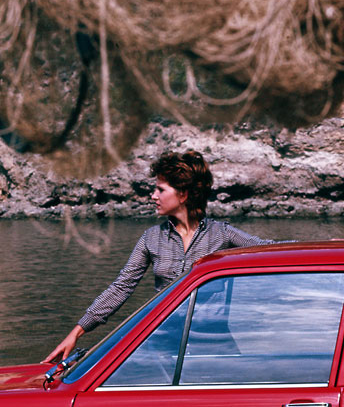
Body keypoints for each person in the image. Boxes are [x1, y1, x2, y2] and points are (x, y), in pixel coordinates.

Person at [43, 151, 280, 363]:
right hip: (164, 345)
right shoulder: (151, 238)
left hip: (214, 345)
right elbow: (121, 288)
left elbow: (271, 250)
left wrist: (317, 248)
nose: (153, 196)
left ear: (183, 194)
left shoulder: (221, 234)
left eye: (160, 190)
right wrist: (76, 332)